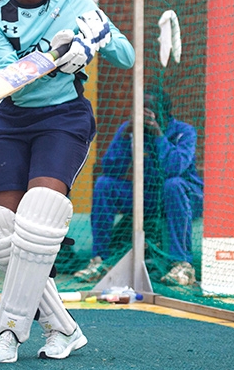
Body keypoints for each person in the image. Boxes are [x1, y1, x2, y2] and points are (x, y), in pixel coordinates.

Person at [0, 0, 135, 363]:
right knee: (5, 231)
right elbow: (12, 80)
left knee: (39, 217)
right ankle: (61, 327)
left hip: (63, 119)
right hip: (13, 119)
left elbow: (127, 56)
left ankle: (9, 332)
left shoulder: (75, 2)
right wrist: (57, 59)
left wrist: (94, 42)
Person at [74, 86, 204, 286]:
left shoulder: (184, 132)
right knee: (104, 185)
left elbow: (174, 167)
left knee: (173, 184)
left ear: (164, 112)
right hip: (149, 196)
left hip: (184, 195)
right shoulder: (130, 129)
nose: (145, 114)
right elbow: (110, 168)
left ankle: (182, 264)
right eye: (141, 109)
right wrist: (126, 135)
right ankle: (100, 260)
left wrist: (158, 135)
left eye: (150, 109)